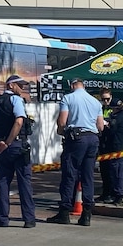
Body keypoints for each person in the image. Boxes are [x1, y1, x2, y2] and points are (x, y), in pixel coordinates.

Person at [48, 77, 103, 226]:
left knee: (69, 175)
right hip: (93, 139)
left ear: (72, 85)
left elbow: (62, 122)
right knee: (88, 176)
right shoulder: (95, 102)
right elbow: (101, 126)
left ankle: (64, 212)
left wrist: (61, 132)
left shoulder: (68, 98)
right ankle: (86, 215)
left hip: (76, 139)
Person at [0, 74, 37, 228]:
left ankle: (2, 218)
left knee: (3, 182)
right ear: (10, 85)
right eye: (19, 85)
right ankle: (28, 219)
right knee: (24, 182)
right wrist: (8, 142)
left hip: (3, 148)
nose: (22, 89)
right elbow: (19, 121)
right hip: (16, 146)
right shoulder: (16, 100)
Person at [96, 87, 115, 202]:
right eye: (103, 99)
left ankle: (112, 193)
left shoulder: (115, 108)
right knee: (103, 170)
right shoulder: (100, 108)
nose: (106, 102)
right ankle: (105, 192)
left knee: (111, 170)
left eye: (107, 99)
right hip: (102, 142)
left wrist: (109, 123)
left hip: (111, 143)